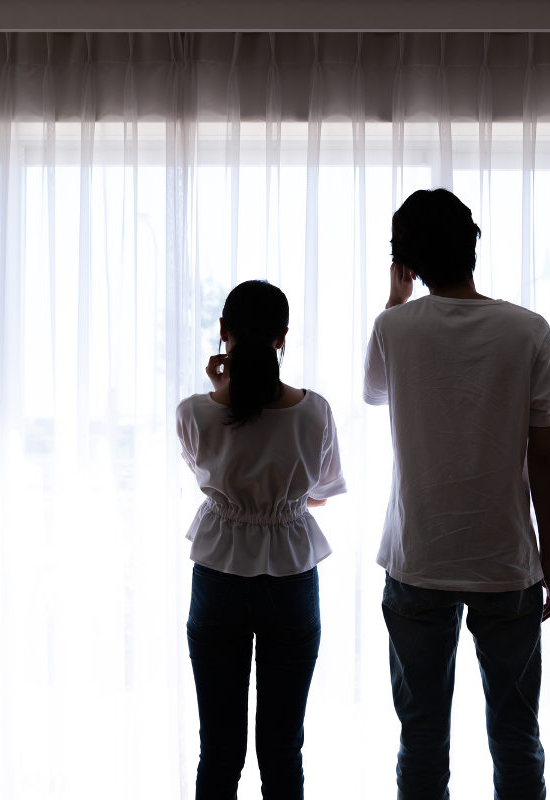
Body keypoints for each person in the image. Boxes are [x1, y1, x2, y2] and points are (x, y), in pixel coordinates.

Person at [363, 189, 550, 799]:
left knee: (421, 738)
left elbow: (376, 391)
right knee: (516, 737)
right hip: (505, 562)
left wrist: (396, 300)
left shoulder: (393, 327)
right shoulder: (527, 330)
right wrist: (548, 558)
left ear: (406, 261)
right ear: (472, 246)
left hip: (418, 558)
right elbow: (545, 455)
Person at [176, 279, 347, 800]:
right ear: (282, 337)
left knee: (218, 751)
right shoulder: (314, 411)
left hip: (218, 578)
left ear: (222, 331)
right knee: (282, 750)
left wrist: (220, 387)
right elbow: (319, 494)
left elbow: (211, 479)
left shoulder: (194, 412)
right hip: (290, 579)